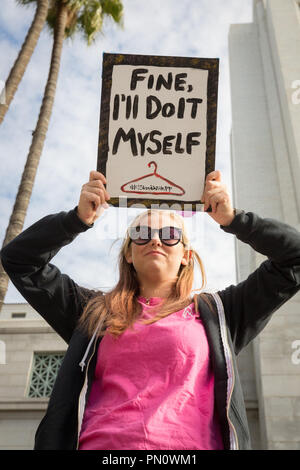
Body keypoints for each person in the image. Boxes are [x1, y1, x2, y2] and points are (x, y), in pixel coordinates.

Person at [1, 169, 300, 451]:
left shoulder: (222, 314)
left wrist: (232, 219)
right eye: (141, 233)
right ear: (129, 253)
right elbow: (20, 260)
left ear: (185, 254)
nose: (155, 239)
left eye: (170, 233)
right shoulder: (92, 312)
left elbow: (294, 259)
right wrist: (77, 219)